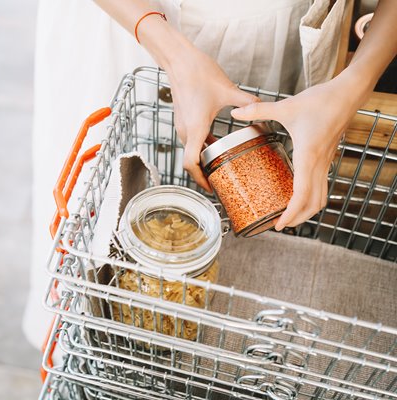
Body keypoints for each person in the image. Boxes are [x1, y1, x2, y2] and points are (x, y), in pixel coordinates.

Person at [23, 0, 397, 349]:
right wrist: (172, 52)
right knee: (90, 262)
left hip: (272, 33)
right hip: (125, 23)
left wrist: (349, 92)